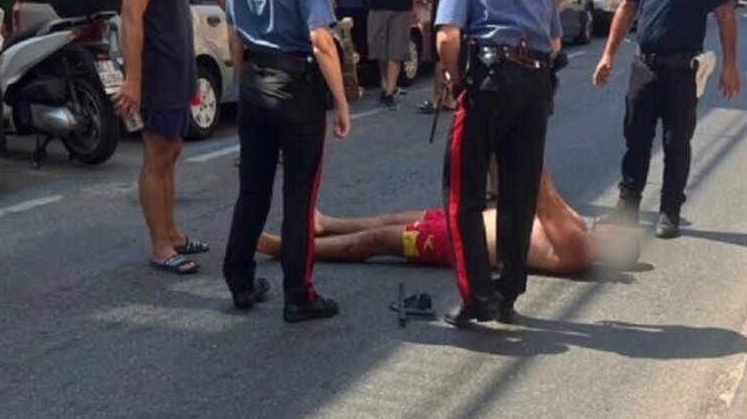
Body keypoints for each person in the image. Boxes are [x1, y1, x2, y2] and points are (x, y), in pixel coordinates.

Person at [222, 0, 351, 324]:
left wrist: (244, 85)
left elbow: (234, 36)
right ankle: (299, 294)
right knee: (299, 195)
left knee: (252, 188)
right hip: (295, 86)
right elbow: (321, 40)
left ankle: (239, 279)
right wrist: (342, 103)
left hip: (255, 84)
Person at [435, 0, 561, 327]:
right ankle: (508, 293)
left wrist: (457, 84)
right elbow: (555, 38)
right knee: (518, 191)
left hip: (491, 78)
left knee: (461, 192)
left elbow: (447, 37)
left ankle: (477, 297)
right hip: (537, 80)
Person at [592, 0, 741, 239]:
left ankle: (670, 210)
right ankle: (628, 205)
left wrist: (730, 65)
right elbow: (627, 8)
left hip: (681, 71)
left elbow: (725, 15)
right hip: (645, 67)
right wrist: (608, 54)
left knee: (677, 142)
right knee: (636, 137)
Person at [257, 170, 639, 277]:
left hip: (455, 239)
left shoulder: (577, 247)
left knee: (379, 240)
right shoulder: (581, 234)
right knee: (392, 217)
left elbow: (538, 190)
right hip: (469, 219)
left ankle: (291, 248)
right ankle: (327, 224)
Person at [114, 0, 206, 275]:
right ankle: (159, 246)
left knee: (172, 150)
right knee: (157, 155)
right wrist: (133, 80)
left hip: (177, 67)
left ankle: (173, 232)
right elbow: (131, 15)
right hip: (157, 71)